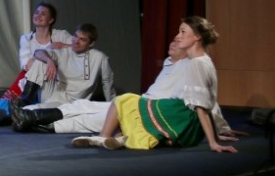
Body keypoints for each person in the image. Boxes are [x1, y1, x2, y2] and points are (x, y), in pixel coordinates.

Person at [11, 37, 244, 138]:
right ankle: (28, 118)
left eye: (178, 41)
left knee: (86, 117)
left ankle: (29, 119)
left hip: (148, 112)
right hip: (139, 103)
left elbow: (207, 97)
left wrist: (221, 127)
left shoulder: (193, 65)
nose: (172, 43)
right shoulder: (169, 63)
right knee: (83, 111)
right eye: (173, 40)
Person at [69, 16, 237, 153]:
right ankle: (119, 139)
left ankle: (103, 137)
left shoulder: (197, 63)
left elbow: (202, 106)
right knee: (129, 108)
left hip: (183, 119)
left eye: (183, 32)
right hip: (183, 120)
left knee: (125, 101)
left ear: (197, 37)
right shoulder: (202, 60)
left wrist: (213, 142)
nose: (178, 36)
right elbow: (209, 99)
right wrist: (216, 132)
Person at [0, 2, 73, 126]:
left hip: (54, 78)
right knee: (20, 90)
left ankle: (11, 116)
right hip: (32, 78)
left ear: (51, 20)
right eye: (36, 12)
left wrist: (63, 46)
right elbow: (27, 66)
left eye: (43, 14)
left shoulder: (61, 35)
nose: (38, 16)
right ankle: (4, 114)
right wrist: (49, 53)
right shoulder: (26, 38)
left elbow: (78, 47)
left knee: (46, 103)